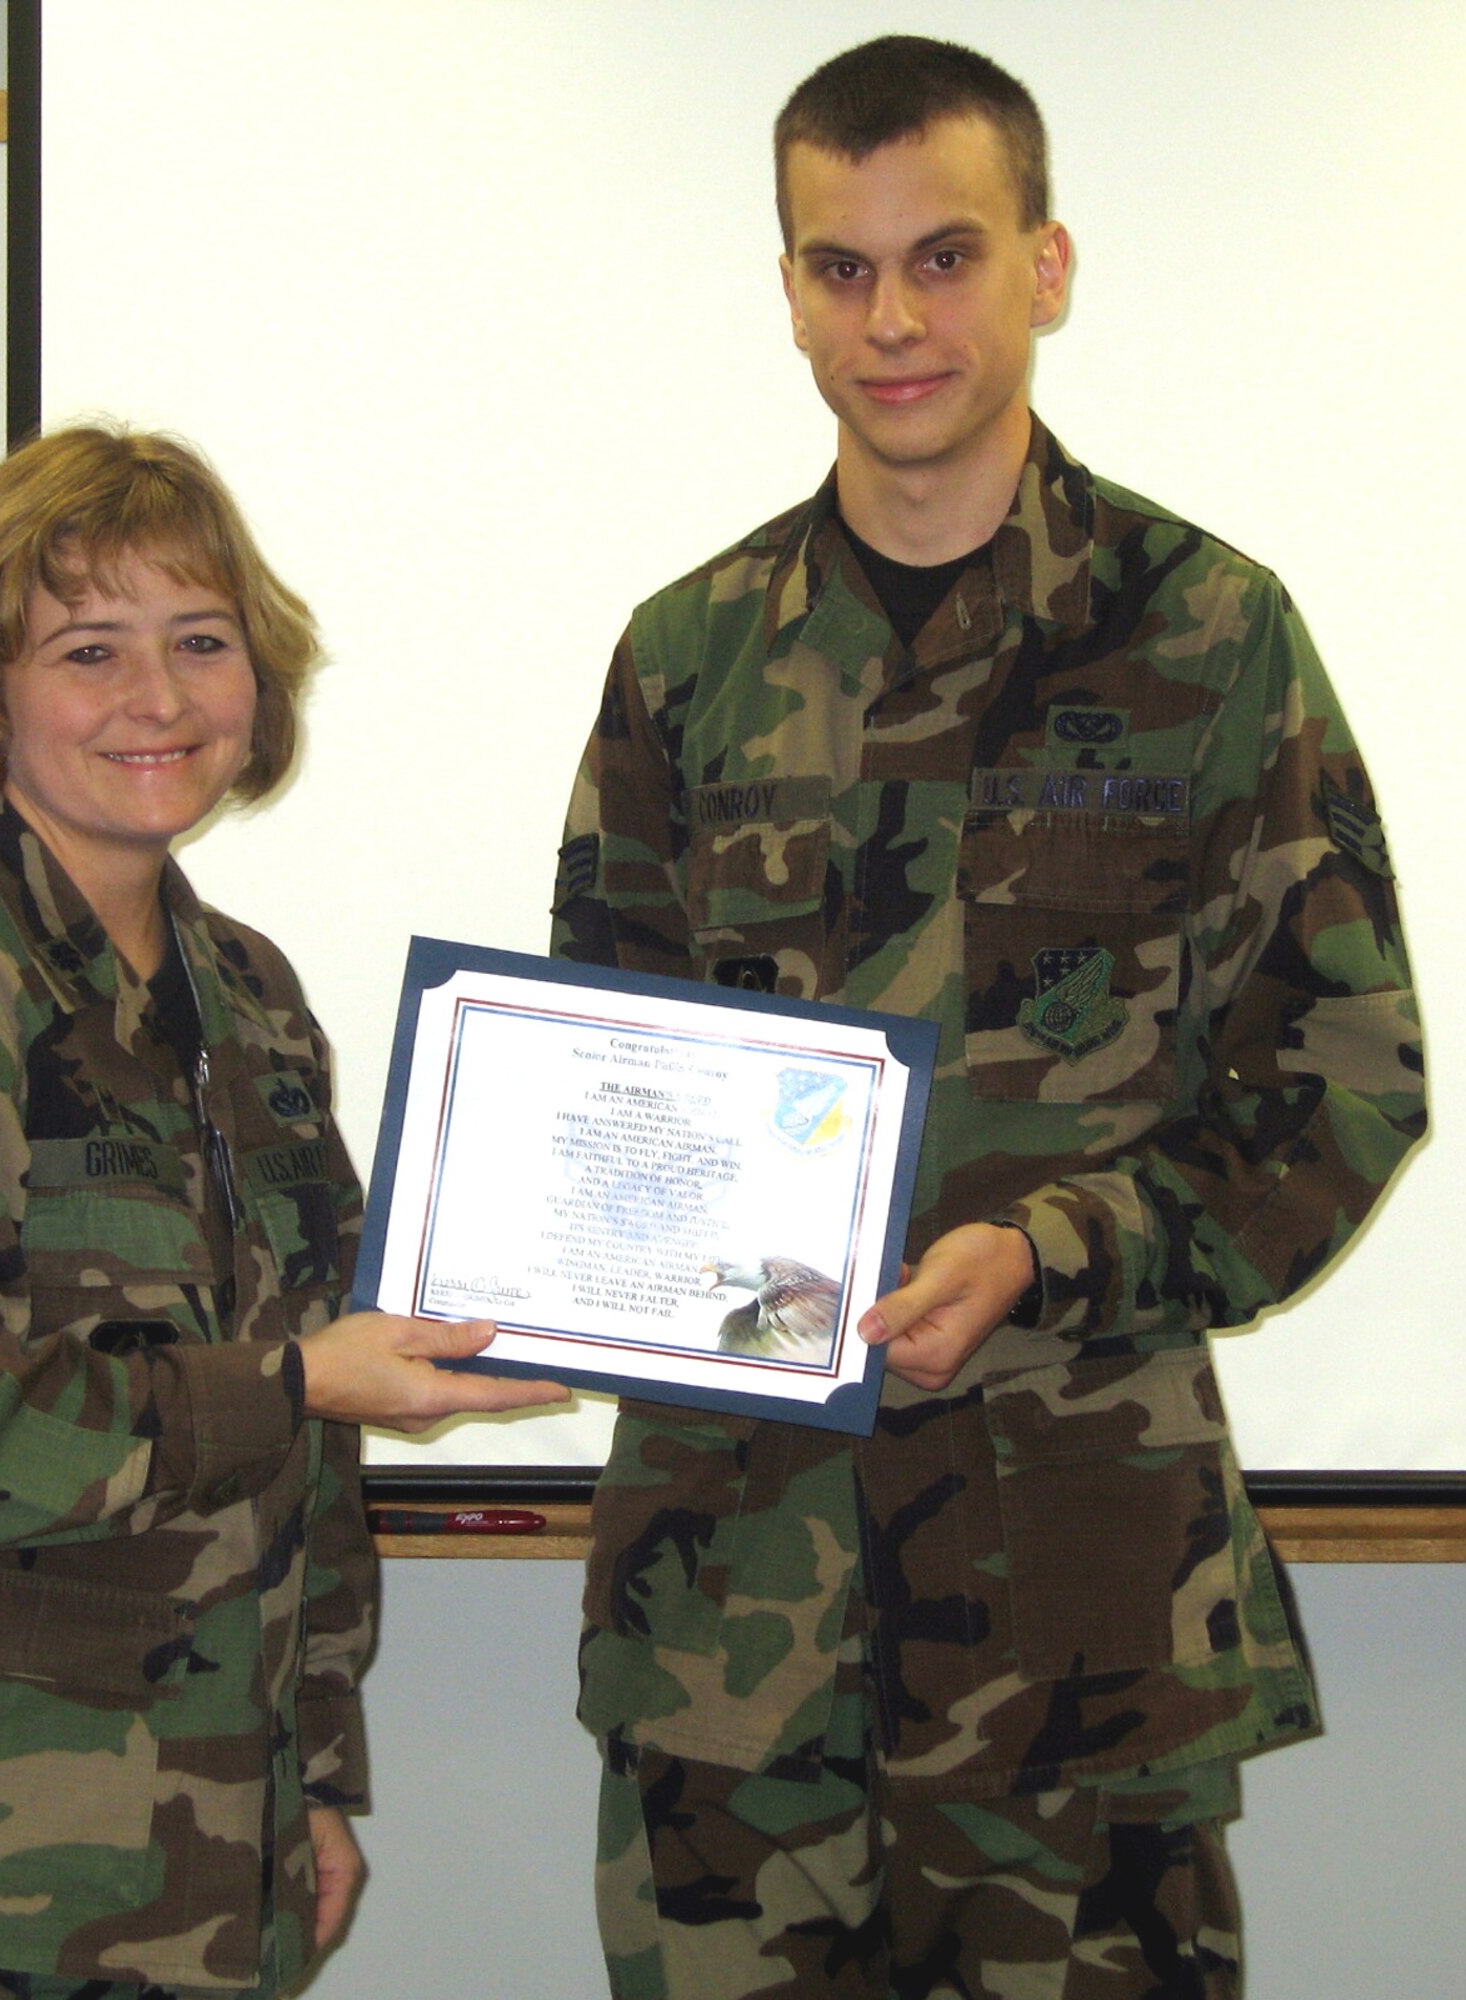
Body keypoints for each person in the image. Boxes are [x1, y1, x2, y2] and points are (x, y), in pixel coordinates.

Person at [553, 36, 1425, 2000]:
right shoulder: (687, 660)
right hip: (737, 1640)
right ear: (786, 288)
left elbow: (1344, 1089)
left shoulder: (1209, 636)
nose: (891, 317)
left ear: (1047, 263)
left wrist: (1051, 1248)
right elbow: (605, 1090)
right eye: (837, 268)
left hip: (1085, 1634)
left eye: (942, 257)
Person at [0, 424, 566, 1999]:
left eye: (199, 642)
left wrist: (306, 1774)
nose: (157, 700)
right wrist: (302, 1380)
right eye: (89, 650)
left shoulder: (244, 993)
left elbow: (310, 1437)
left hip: (199, 1852)